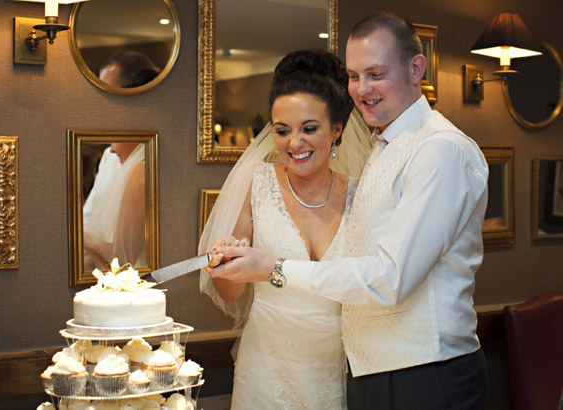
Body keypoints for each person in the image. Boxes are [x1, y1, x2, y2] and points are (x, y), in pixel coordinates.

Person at [207, 12, 489, 410]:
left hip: (425, 372)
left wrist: (273, 268)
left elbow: (391, 279)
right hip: (366, 372)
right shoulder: (384, 148)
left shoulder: (439, 149)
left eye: (375, 73)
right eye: (354, 76)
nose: (363, 89)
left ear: (416, 68)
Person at [198, 49, 371, 409]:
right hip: (267, 367)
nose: (294, 143)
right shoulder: (257, 182)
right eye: (282, 130)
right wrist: (223, 262)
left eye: (309, 128)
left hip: (336, 368)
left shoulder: (362, 193)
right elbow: (229, 293)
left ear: (336, 130)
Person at [83, 142, 146, 270]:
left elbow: (123, 262)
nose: (111, 149)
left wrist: (78, 237)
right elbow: (89, 218)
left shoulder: (140, 174)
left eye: (115, 140)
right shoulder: (109, 157)